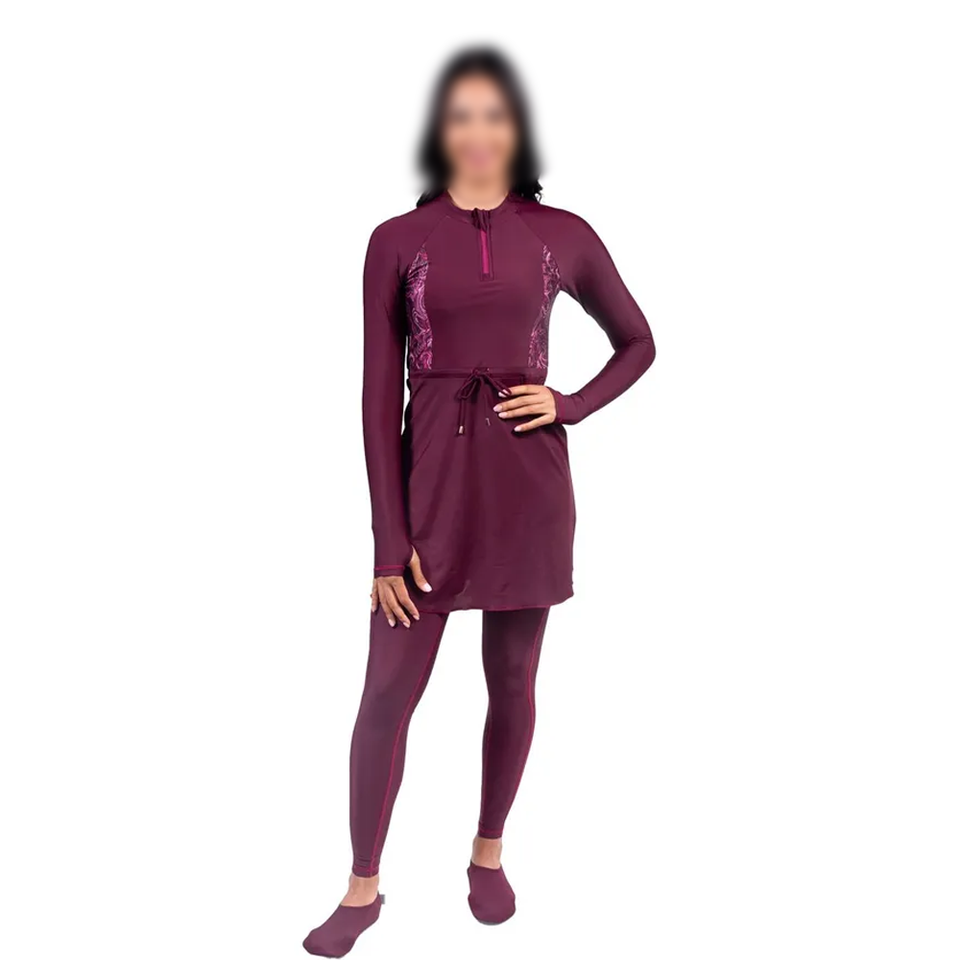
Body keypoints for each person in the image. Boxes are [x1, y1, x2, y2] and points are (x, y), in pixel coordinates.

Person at [303, 47, 655, 957]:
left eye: (495, 114)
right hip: (431, 492)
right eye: (460, 114)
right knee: (388, 691)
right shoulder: (397, 240)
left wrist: (569, 403)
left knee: (514, 679)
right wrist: (389, 543)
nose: (478, 131)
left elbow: (638, 342)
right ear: (440, 130)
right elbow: (378, 400)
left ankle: (488, 853)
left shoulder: (563, 233)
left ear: (517, 129)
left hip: (529, 490)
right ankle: (362, 886)